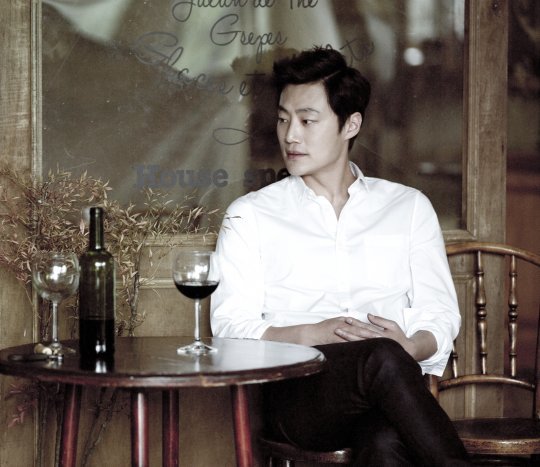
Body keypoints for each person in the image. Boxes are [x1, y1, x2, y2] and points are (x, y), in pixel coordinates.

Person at [210, 46, 470, 466]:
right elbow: (229, 329)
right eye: (283, 119)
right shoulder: (251, 215)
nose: (290, 135)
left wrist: (409, 345)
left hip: (389, 391)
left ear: (351, 124)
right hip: (299, 397)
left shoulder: (407, 207)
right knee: (382, 358)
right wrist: (318, 332)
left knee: (384, 443)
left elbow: (439, 316)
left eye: (307, 120)